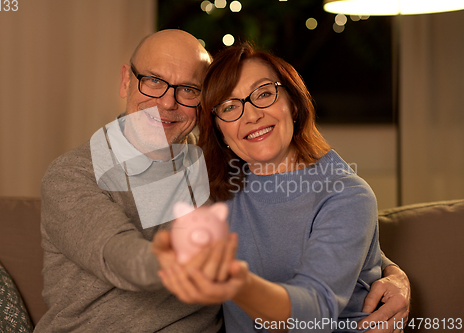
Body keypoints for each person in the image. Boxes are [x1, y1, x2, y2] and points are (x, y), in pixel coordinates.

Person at [37, 29, 408, 332]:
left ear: (204, 106)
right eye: (153, 81)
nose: (167, 103)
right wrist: (204, 269)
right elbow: (120, 256)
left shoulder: (211, 167)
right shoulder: (74, 174)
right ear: (125, 81)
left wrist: (387, 272)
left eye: (188, 89)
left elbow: (318, 217)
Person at [154, 42, 410, 332]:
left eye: (264, 93)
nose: (251, 116)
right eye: (229, 106)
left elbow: (312, 314)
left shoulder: (346, 194)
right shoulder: (214, 188)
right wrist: (390, 269)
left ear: (294, 104)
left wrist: (234, 280)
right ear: (219, 130)